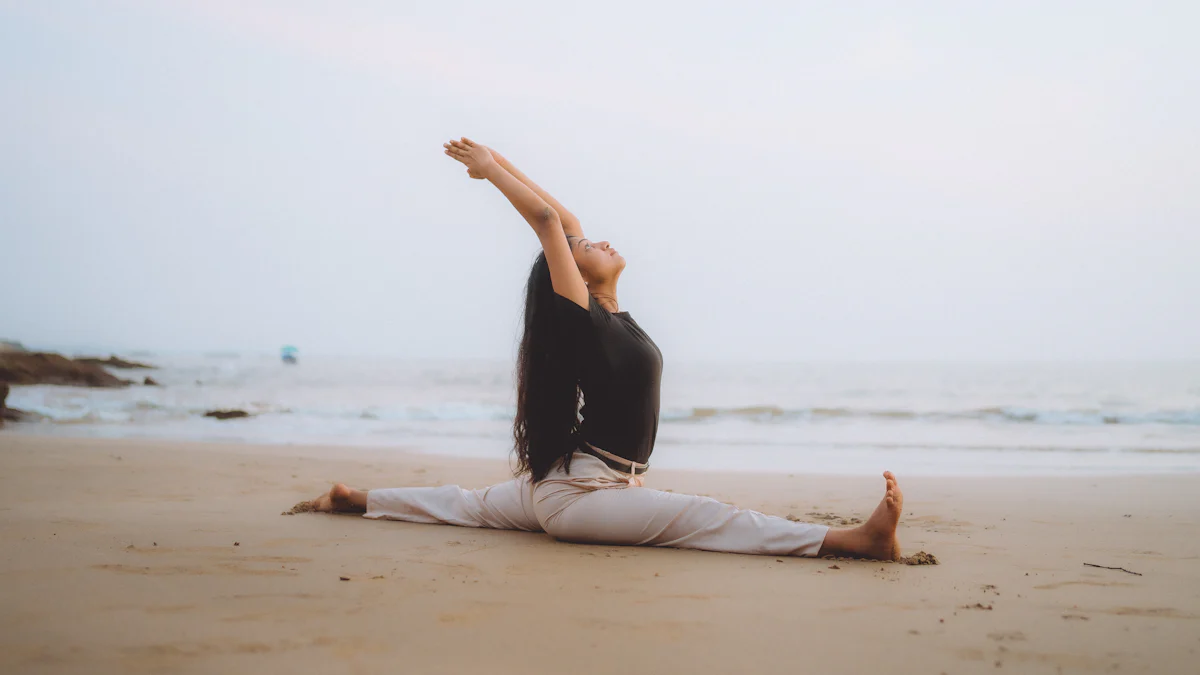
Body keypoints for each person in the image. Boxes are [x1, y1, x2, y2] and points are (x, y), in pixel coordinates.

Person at [309, 138, 904, 561]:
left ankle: (351, 498)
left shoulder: (612, 316)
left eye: (586, 240)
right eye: (584, 245)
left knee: (466, 505)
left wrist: (501, 162)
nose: (594, 238)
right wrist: (490, 172)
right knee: (706, 518)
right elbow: (547, 220)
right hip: (579, 498)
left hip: (580, 483)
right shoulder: (584, 318)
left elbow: (560, 215)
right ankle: (853, 541)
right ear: (572, 275)